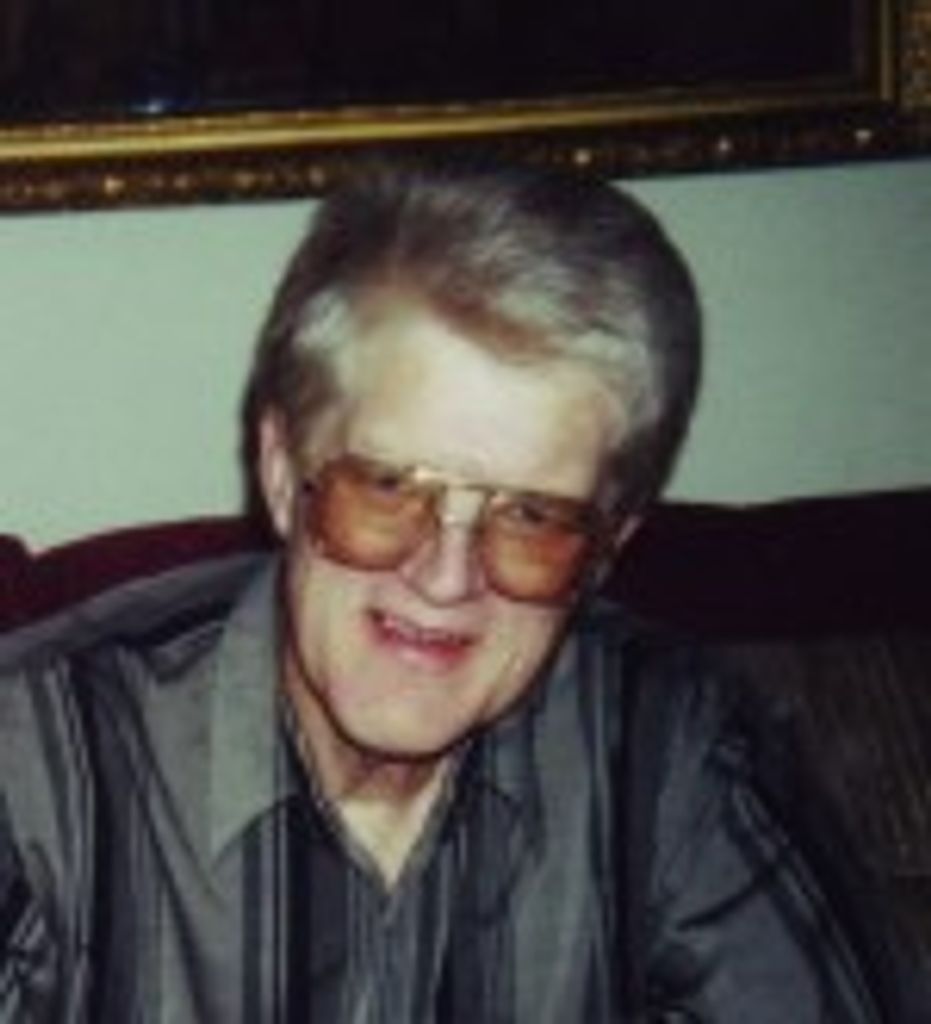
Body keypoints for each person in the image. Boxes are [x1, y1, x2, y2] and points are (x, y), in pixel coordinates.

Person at [0, 161, 911, 1022]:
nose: (445, 578)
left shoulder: (674, 750)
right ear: (282, 473)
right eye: (387, 488)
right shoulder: (37, 764)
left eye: (531, 517)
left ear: (605, 550)